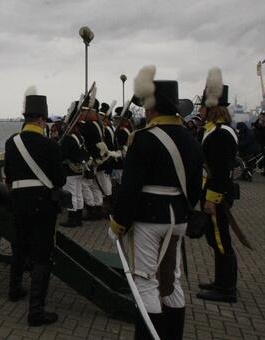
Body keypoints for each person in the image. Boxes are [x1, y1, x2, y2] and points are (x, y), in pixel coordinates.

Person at [110, 65, 203, 340]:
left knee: (146, 283)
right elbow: (195, 189)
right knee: (171, 282)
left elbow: (130, 189)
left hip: (149, 220)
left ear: (151, 108)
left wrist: (118, 223)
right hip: (179, 220)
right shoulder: (192, 140)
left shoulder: (143, 139)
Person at [4, 86, 66, 326]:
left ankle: (15, 289)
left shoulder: (11, 143)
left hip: (18, 201)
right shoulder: (50, 145)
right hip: (42, 203)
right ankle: (36, 312)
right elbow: (60, 180)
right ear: (41, 119)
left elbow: (9, 175)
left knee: (19, 245)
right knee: (42, 255)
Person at [195, 68, 240, 303]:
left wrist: (211, 199)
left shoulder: (220, 134)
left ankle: (226, 288)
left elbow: (221, 172)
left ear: (212, 108)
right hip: (215, 192)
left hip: (217, 195)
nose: (200, 111)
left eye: (202, 107)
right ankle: (221, 281)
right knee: (216, 239)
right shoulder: (215, 131)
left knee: (220, 240)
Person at [79, 94, 108, 220]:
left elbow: (86, 142)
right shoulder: (98, 123)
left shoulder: (89, 125)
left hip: (91, 158)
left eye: (85, 111)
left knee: (85, 185)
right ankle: (98, 206)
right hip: (98, 157)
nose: (83, 113)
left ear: (91, 111)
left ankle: (91, 209)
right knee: (95, 185)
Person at [60, 102, 88, 228]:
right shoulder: (79, 137)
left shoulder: (68, 138)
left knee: (72, 195)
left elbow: (63, 155)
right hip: (79, 169)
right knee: (78, 194)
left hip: (70, 170)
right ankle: (78, 219)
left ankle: (72, 220)